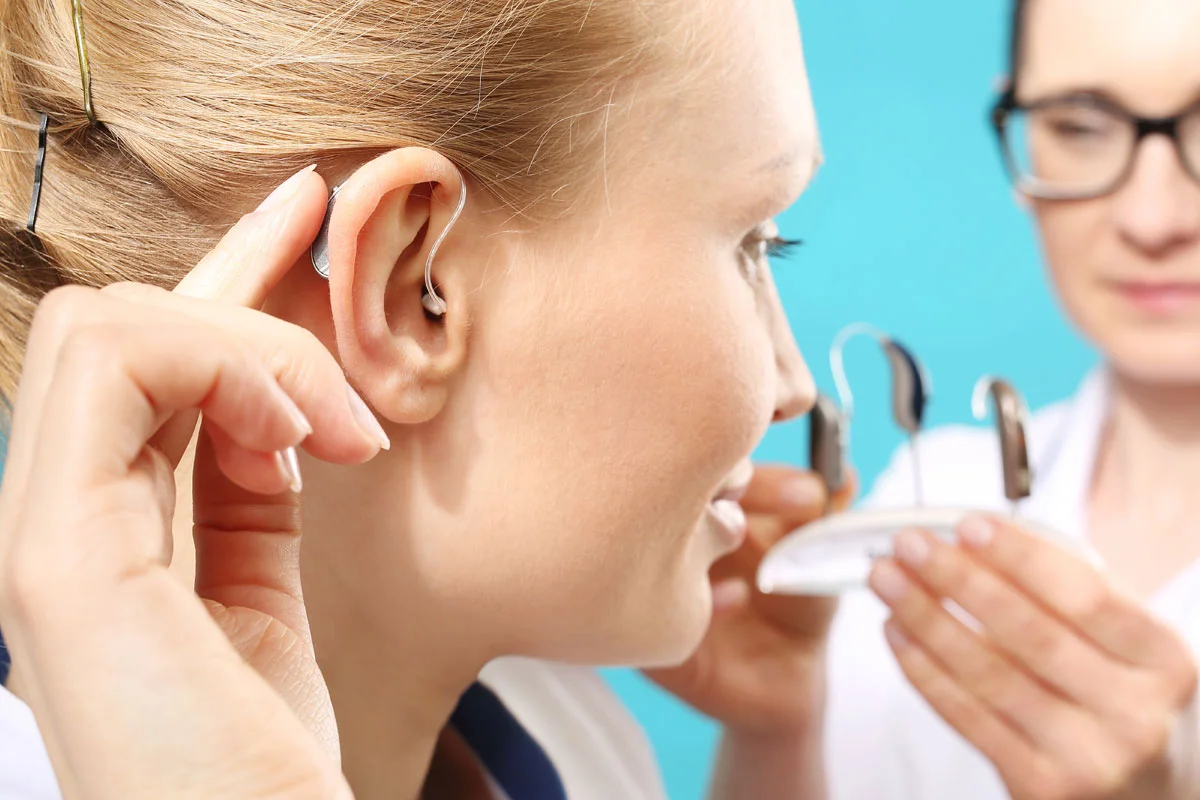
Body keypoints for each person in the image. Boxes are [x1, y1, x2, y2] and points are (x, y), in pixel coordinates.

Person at [0, 0, 849, 797]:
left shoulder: (565, 744)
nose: (793, 384)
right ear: (414, 288)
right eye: (756, 240)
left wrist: (777, 745)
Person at [383, 1, 1200, 799]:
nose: (1153, 217)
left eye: (768, 243)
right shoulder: (931, 497)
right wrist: (778, 729)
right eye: (1081, 127)